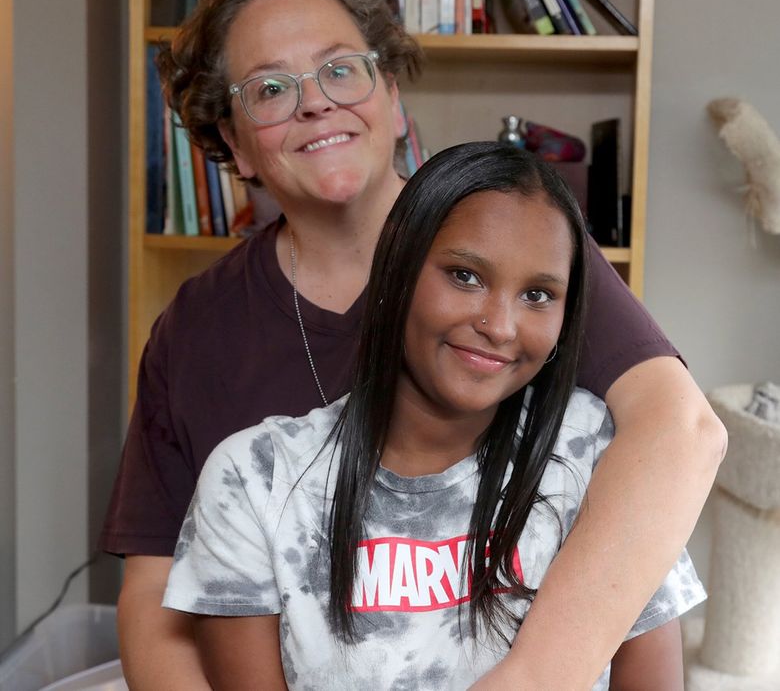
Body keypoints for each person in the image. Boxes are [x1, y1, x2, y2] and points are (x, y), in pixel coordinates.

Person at [101, 0, 725, 690]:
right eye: (270, 88)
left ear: (391, 97)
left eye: (342, 69)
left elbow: (681, 431)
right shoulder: (198, 332)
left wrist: (533, 676)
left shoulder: (519, 245)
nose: (314, 103)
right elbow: (155, 596)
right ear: (233, 143)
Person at [162, 142, 705, 690]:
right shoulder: (255, 478)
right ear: (397, 268)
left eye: (538, 294)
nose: (500, 325)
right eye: (465, 276)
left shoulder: (602, 455)